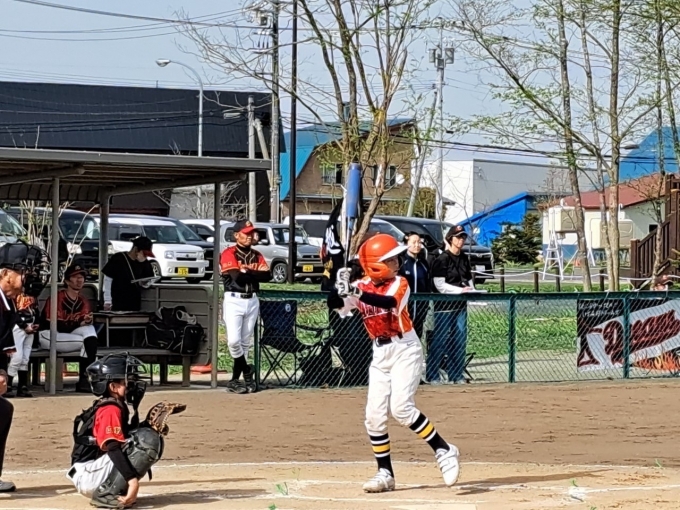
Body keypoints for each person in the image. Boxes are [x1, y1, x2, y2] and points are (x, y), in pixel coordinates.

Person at [327, 233, 460, 493]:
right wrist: (336, 285)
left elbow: (388, 303)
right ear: (375, 265)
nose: (396, 262)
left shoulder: (400, 282)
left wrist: (355, 291)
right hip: (380, 354)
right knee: (374, 416)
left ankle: (444, 449)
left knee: (401, 409)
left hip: (405, 349)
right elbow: (335, 304)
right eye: (389, 260)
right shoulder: (362, 285)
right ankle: (385, 473)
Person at [67, 353, 161, 509]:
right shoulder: (110, 409)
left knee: (147, 434)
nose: (132, 385)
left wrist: (146, 425)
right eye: (127, 382)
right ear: (113, 387)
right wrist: (132, 481)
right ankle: (106, 494)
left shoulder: (115, 404)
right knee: (146, 440)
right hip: (88, 475)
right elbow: (112, 446)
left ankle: (113, 489)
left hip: (93, 470)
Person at [0, 240, 47, 493]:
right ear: (5, 274)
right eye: (23, 272)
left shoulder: (7, 303)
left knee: (2, 410)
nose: (29, 277)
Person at [220, 219, 271, 394]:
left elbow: (268, 276)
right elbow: (238, 278)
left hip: (252, 300)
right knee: (234, 342)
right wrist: (253, 274)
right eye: (246, 233)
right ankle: (247, 371)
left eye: (251, 233)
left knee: (244, 343)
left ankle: (235, 380)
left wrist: (248, 271)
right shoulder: (229, 253)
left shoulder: (256, 254)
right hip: (234, 299)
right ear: (236, 235)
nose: (250, 236)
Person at [39, 264, 99, 393]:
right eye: (75, 277)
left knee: (90, 331)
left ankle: (85, 378)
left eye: (82, 277)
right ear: (66, 281)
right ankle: (85, 379)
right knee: (88, 343)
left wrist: (85, 322)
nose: (79, 280)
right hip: (47, 334)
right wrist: (78, 323)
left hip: (68, 335)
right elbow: (56, 324)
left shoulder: (83, 300)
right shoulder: (56, 298)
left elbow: (80, 324)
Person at [429, 225, 474, 384]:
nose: (461, 240)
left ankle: (456, 374)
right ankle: (432, 374)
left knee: (459, 341)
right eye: (458, 237)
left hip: (460, 306)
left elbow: (468, 279)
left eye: (463, 237)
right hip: (444, 307)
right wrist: (460, 290)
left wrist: (472, 290)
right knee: (439, 341)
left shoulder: (464, 258)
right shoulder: (442, 259)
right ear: (450, 239)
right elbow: (439, 285)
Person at [102, 237, 156, 312]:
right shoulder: (118, 259)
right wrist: (107, 300)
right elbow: (108, 279)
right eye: (144, 254)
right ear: (136, 249)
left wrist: (145, 283)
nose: (145, 257)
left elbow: (149, 279)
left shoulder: (145, 263)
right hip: (117, 301)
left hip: (135, 302)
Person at [6, 292, 39, 398]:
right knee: (17, 357)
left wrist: (36, 324)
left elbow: (35, 310)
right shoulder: (14, 294)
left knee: (25, 358)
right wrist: (24, 325)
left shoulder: (32, 295)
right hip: (18, 327)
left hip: (30, 325)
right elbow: (14, 314)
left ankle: (22, 386)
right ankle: (7, 385)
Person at [399, 233, 431, 340]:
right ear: (406, 243)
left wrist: (425, 308)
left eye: (419, 242)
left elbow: (427, 286)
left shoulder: (424, 264)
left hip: (420, 312)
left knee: (417, 339)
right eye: (413, 242)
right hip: (404, 311)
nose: (417, 245)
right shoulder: (401, 262)